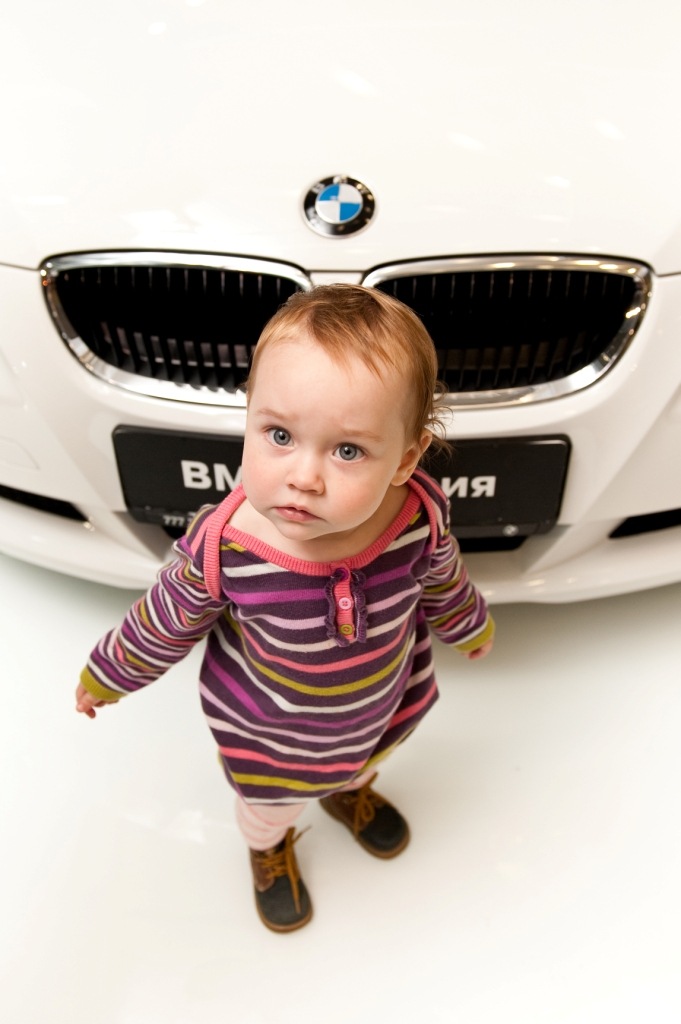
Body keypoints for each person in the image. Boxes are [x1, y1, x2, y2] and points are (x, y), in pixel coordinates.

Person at [75, 284, 495, 933]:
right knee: (268, 804)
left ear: (404, 459)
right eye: (278, 435)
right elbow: (162, 621)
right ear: (248, 418)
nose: (304, 477)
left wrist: (467, 625)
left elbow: (443, 578)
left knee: (369, 755)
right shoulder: (225, 547)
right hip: (273, 727)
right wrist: (108, 674)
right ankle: (268, 847)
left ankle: (348, 791)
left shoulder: (416, 516)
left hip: (376, 702)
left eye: (347, 450)